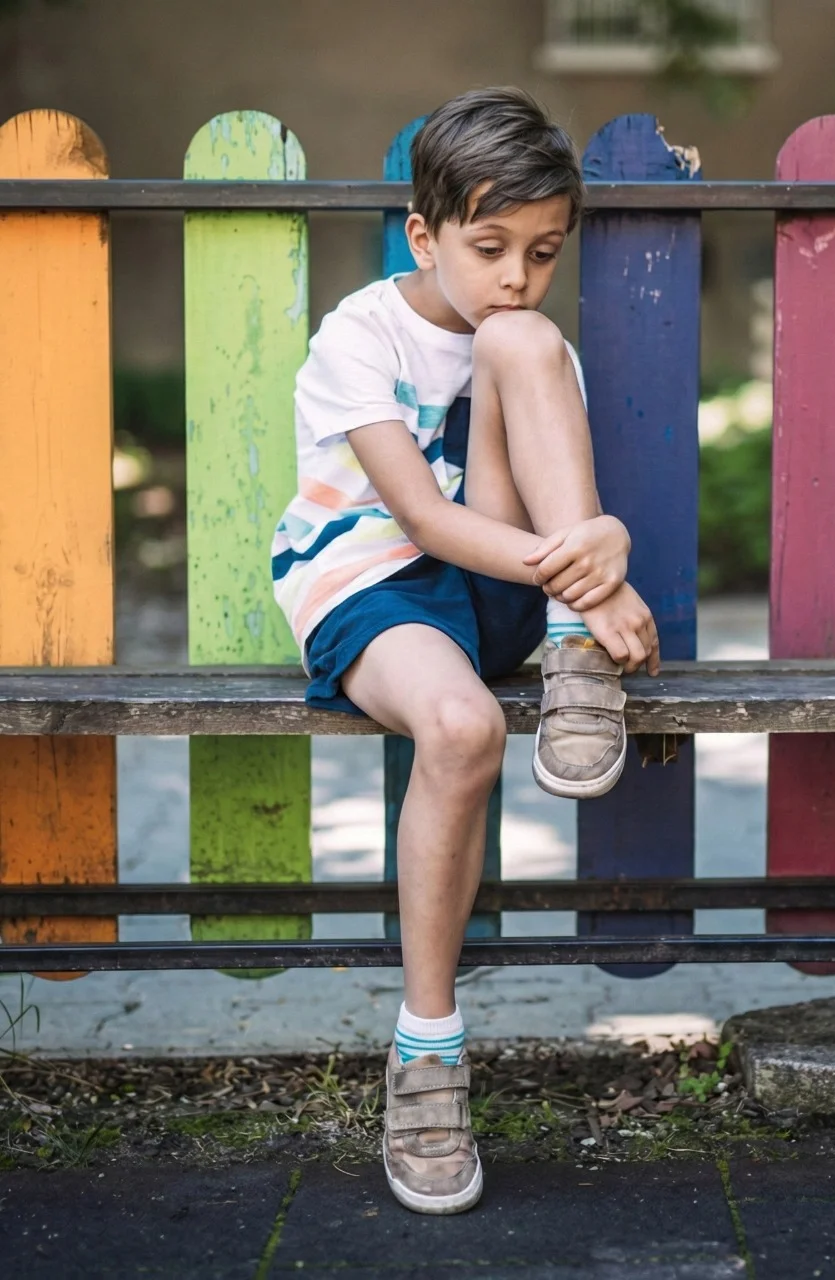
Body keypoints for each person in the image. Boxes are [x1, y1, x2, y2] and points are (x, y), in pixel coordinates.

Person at [270, 86, 661, 1214]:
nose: (514, 276)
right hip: (373, 582)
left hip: (504, 589)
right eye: (488, 248)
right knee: (462, 724)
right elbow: (427, 524)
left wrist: (587, 561)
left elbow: (533, 521)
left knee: (524, 346)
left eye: (542, 253)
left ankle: (576, 649)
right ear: (423, 233)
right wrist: (600, 559)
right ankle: (427, 1050)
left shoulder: (526, 342)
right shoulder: (360, 334)